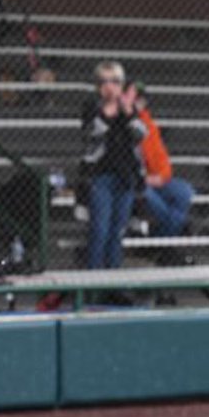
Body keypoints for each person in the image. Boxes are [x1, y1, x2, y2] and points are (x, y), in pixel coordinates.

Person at [80, 61, 146, 274]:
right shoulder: (92, 108)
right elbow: (92, 133)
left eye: (115, 81)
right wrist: (109, 111)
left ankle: (112, 280)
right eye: (104, 82)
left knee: (118, 231)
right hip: (101, 176)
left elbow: (141, 134)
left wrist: (128, 112)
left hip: (125, 176)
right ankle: (93, 281)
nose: (110, 86)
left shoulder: (129, 108)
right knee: (100, 229)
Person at [130, 82, 195, 249]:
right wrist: (142, 179)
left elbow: (161, 157)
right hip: (131, 181)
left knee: (184, 192)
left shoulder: (147, 124)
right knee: (150, 197)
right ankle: (169, 239)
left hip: (151, 178)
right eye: (135, 99)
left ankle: (159, 242)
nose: (138, 104)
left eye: (141, 100)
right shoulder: (118, 123)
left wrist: (161, 176)